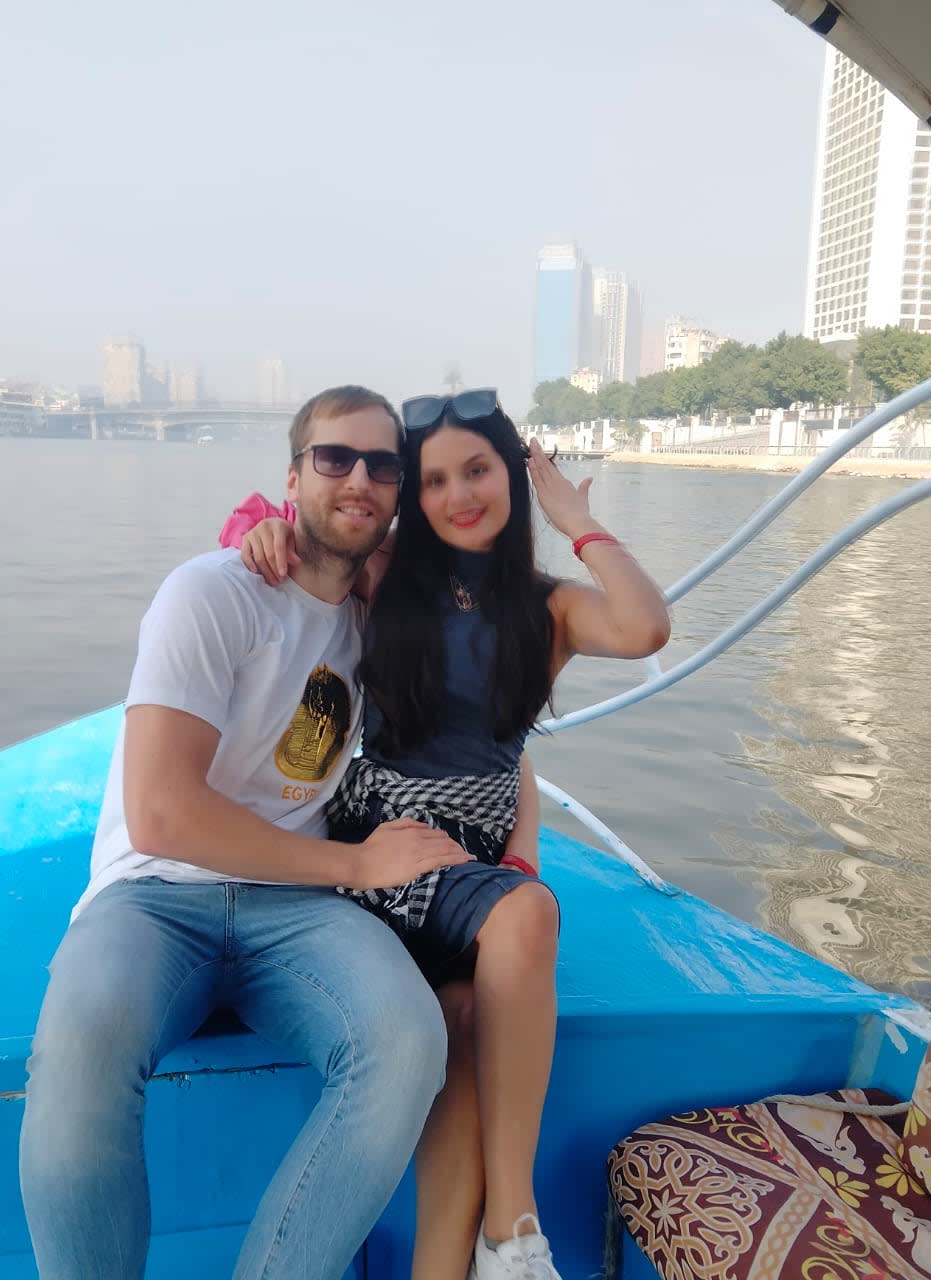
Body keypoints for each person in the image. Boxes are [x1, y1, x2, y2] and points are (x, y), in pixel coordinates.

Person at [18, 385, 476, 1280]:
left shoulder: (379, 616)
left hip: (296, 907)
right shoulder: (212, 592)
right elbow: (161, 813)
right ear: (293, 477)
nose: (360, 479)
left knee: (407, 1042)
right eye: (335, 458)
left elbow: (495, 657)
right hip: (153, 894)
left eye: (383, 466)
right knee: (81, 1048)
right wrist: (356, 864)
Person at [232, 388, 671, 1280]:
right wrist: (266, 527)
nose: (457, 495)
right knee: (528, 915)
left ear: (511, 474)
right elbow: (300, 543)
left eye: (477, 471)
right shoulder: (387, 575)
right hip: (379, 849)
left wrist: (576, 520)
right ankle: (514, 1230)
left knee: (467, 1017)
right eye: (433, 480)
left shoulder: (548, 610)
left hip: (467, 871)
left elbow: (644, 625)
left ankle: (454, 1264)